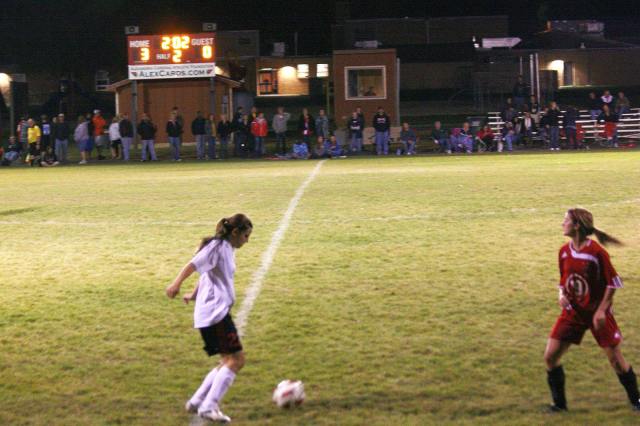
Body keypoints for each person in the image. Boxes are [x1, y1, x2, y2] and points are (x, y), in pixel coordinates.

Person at [544, 208, 639, 413]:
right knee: (550, 357)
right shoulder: (563, 251)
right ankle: (559, 405)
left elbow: (613, 283)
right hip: (573, 312)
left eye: (566, 220)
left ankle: (637, 401)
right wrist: (561, 294)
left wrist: (602, 310)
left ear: (577, 226)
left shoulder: (596, 253)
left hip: (597, 315)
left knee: (616, 361)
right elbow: (563, 280)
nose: (562, 224)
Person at [166, 214, 253, 423]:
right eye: (246, 236)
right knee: (236, 360)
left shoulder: (227, 248)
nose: (247, 240)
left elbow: (206, 273)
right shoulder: (217, 247)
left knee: (226, 360)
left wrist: (194, 294)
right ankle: (208, 406)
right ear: (235, 232)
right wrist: (176, 284)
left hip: (213, 313)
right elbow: (193, 264)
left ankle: (196, 402)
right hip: (215, 315)